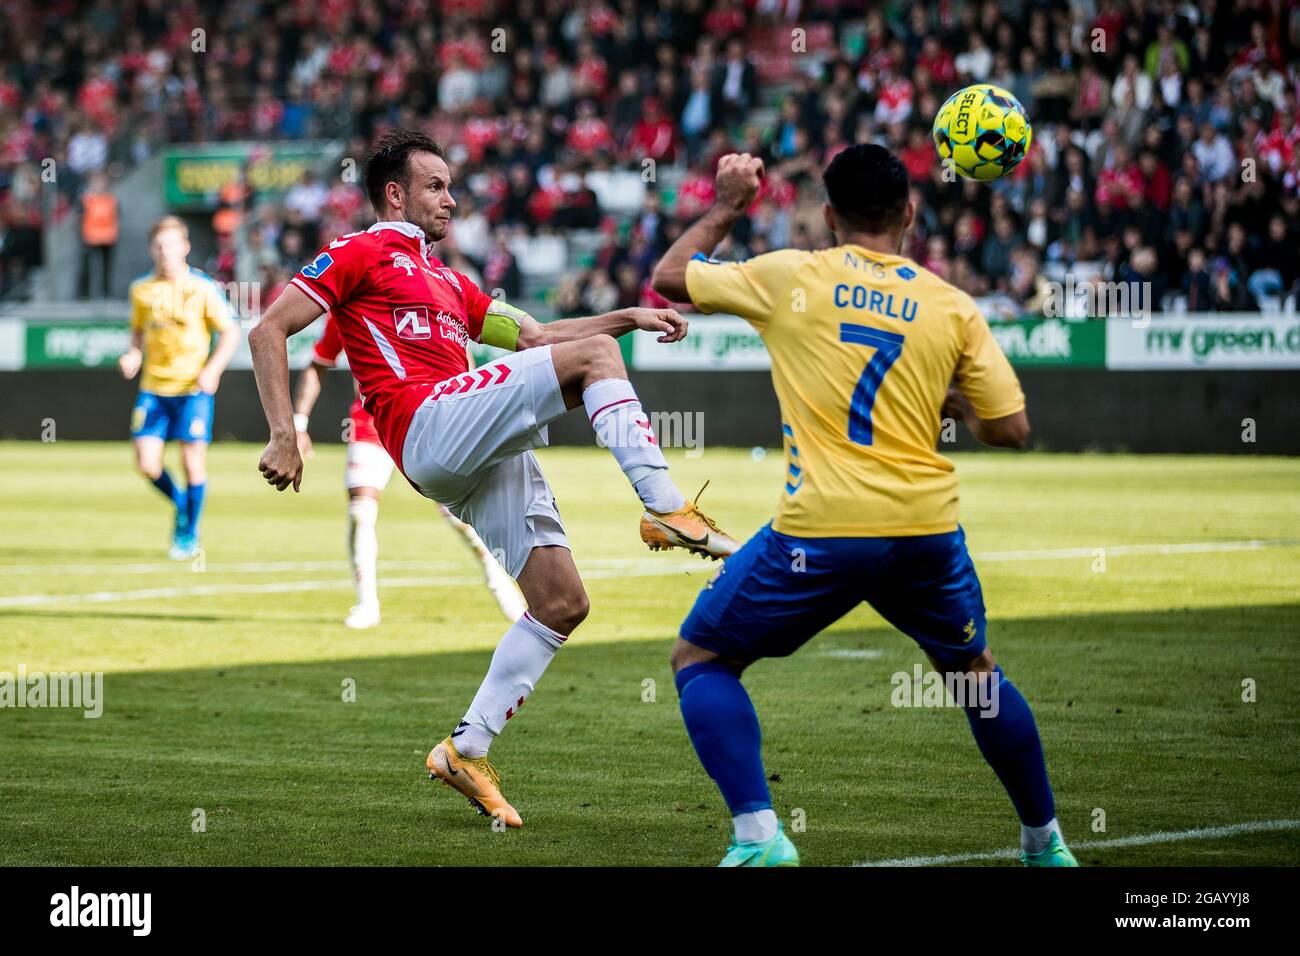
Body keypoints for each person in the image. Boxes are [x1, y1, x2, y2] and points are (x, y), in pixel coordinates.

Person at [249, 128, 737, 829]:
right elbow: (268, 331)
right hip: (424, 424)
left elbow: (539, 337)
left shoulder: (453, 282)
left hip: (464, 447)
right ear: (395, 193)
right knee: (595, 357)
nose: (453, 199)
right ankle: (663, 506)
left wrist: (628, 314)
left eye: (452, 186)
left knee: (562, 601)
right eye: (437, 186)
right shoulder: (357, 251)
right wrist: (283, 433)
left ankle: (465, 748)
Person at [651, 144, 1076, 868]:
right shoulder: (951, 306)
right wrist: (948, 402)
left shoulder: (791, 273)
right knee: (976, 675)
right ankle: (1046, 843)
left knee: (702, 657)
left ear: (829, 216)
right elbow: (1013, 429)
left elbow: (667, 280)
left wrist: (727, 204)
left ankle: (759, 838)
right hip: (924, 529)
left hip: (822, 530)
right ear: (910, 213)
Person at [292, 313, 526, 628]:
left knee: (456, 514)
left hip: (429, 418)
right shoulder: (347, 308)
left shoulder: (421, 296)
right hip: (372, 420)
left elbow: (463, 358)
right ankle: (366, 603)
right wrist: (298, 423)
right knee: (360, 510)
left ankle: (497, 579)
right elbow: (318, 362)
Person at [119, 216, 240, 559]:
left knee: (192, 462)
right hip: (154, 387)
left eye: (172, 245)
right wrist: (132, 354)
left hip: (192, 389)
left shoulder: (202, 287)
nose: (165, 252)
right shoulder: (141, 289)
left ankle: (188, 533)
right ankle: (184, 503)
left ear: (185, 247)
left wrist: (212, 370)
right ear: (151, 249)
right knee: (146, 464)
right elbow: (138, 332)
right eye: (159, 246)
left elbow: (231, 331)